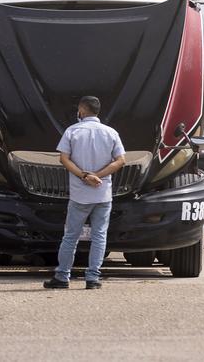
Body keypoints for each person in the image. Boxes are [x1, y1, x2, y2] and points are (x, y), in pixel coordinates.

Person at [43, 96, 125, 290]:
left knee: (71, 236)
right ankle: (93, 278)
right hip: (103, 193)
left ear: (81, 110)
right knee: (99, 236)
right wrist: (98, 175)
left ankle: (62, 277)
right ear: (98, 111)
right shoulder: (111, 132)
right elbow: (120, 160)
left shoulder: (72, 131)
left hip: (80, 194)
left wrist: (84, 176)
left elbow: (63, 159)